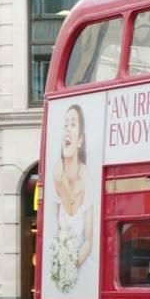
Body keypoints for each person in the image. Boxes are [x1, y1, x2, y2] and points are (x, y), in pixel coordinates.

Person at [52, 104, 93, 278]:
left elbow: (89, 240)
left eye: (73, 124)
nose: (67, 130)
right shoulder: (55, 174)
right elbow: (53, 232)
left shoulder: (88, 179)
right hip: (63, 274)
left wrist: (70, 266)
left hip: (84, 272)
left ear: (80, 139)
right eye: (65, 125)